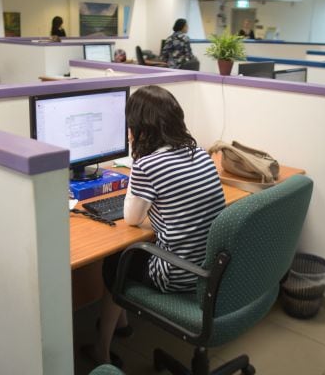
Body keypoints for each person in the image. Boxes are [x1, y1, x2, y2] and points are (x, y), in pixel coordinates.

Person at [83, 85, 226, 368]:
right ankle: (121, 323)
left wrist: (136, 166)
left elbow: (132, 218)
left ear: (140, 127)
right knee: (126, 254)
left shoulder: (148, 164)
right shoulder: (198, 152)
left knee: (115, 260)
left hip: (177, 274)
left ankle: (102, 349)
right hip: (209, 267)